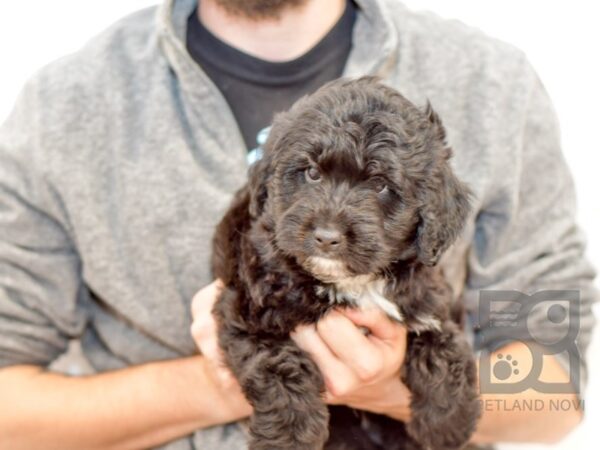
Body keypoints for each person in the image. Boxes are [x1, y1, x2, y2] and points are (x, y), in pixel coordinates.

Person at [0, 0, 596, 448]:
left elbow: (559, 389)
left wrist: (390, 389)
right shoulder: (61, 104)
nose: (332, 224)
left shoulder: (497, 82)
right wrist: (225, 383)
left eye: (383, 190)